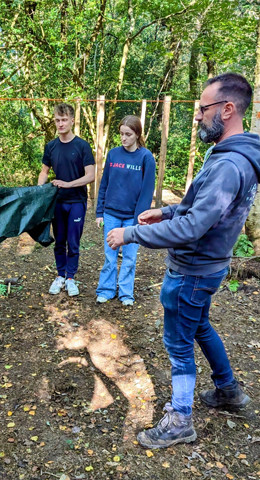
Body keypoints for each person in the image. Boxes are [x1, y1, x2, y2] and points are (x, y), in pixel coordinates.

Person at [106, 73, 260, 448]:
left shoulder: (228, 166)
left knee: (178, 343)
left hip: (193, 270)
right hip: (209, 265)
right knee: (201, 327)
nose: (197, 117)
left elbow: (193, 228)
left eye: (203, 109)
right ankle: (228, 390)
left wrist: (131, 233)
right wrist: (167, 211)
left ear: (227, 109)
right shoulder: (231, 155)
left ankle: (180, 420)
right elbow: (200, 210)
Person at [95, 115, 156, 306]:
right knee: (109, 256)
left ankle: (126, 294)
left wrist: (140, 219)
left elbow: (147, 192)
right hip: (111, 214)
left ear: (137, 134)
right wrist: (99, 212)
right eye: (121, 134)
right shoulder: (113, 154)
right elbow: (104, 183)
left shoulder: (146, 158)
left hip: (132, 218)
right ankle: (106, 290)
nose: (123, 138)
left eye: (128, 134)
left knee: (129, 257)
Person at [38, 103, 95, 297]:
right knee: (59, 241)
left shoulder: (82, 146)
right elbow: (44, 171)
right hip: (57, 202)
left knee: (73, 241)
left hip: (77, 201)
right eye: (57, 120)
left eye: (64, 120)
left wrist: (68, 184)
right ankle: (60, 276)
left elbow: (91, 175)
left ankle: (71, 278)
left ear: (72, 121)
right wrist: (39, 192)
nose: (60, 124)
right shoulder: (51, 146)